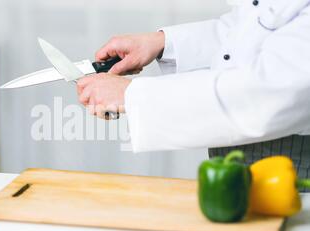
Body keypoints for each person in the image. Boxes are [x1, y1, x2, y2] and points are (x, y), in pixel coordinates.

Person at [76, 0, 310, 184]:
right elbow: (250, 28)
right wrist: (163, 43)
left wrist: (133, 96)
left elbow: (274, 92)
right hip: (241, 154)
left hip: (291, 163)